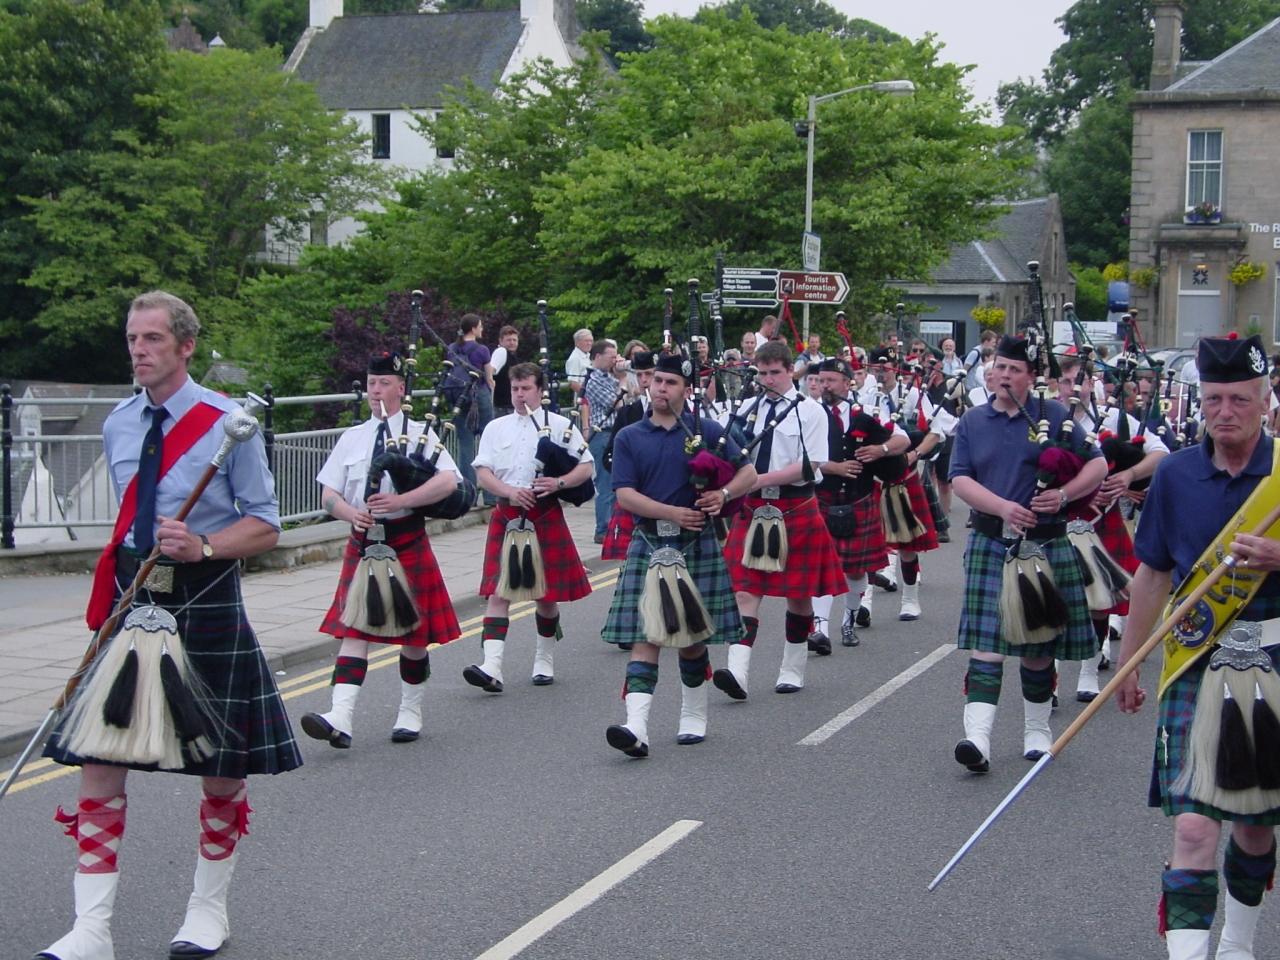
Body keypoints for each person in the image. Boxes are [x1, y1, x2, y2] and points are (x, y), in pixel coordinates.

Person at [38, 291, 301, 960]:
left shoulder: (229, 424)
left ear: (185, 346)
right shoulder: (119, 424)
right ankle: (92, 929)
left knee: (220, 767)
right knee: (98, 758)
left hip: (204, 595)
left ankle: (208, 911)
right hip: (135, 599)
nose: (139, 349)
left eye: (153, 338)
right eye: (133, 338)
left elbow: (265, 525)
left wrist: (205, 545)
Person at [1116, 334, 1280, 960]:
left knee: (1257, 828)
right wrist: (1131, 663)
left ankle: (1237, 944)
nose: (1225, 412)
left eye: (1240, 399)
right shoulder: (1177, 474)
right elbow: (1152, 574)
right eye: (1214, 399)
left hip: (1274, 662)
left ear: (1264, 402)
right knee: (1191, 826)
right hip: (1197, 661)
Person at [948, 334, 1106, 772]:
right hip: (991, 540)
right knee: (987, 646)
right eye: (999, 367)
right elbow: (960, 478)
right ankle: (977, 739)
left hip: (1045, 541)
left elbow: (1097, 464)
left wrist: (1063, 495)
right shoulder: (973, 421)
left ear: (1032, 377)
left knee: (1037, 645)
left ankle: (1037, 731)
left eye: (1014, 369)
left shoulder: (1054, 416)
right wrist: (1002, 507)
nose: (1003, 375)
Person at [304, 350, 464, 750]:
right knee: (354, 629)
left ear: (400, 388)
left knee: (413, 636)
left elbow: (449, 481)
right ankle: (340, 716)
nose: (376, 391)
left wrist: (403, 499)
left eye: (384, 383)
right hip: (364, 542)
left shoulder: (422, 435)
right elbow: (328, 494)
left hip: (406, 537)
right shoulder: (352, 438)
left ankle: (410, 710)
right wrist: (349, 513)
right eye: (371, 383)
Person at [602, 354, 756, 756]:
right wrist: (672, 513)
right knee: (645, 637)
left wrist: (722, 494)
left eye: (670, 383)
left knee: (691, 639)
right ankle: (636, 727)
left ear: (687, 390)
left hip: (696, 544)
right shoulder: (630, 436)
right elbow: (624, 495)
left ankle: (693, 715)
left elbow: (749, 473)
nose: (660, 388)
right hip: (650, 542)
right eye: (656, 381)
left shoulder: (707, 431)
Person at [715, 341, 847, 698]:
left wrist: (758, 480)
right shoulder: (746, 409)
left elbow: (811, 465)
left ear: (791, 371)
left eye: (775, 372)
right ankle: (737, 672)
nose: (768, 379)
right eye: (762, 373)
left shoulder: (810, 411)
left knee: (798, 596)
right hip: (753, 507)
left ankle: (792, 668)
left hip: (795, 506)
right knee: (745, 591)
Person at [465, 363, 594, 691]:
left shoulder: (560, 425)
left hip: (544, 514)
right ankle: (492, 667)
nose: (519, 395)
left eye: (526, 389)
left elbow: (586, 466)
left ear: (540, 390)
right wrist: (509, 491)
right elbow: (483, 472)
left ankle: (544, 658)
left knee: (545, 597)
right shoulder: (496, 428)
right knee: (498, 592)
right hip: (506, 514)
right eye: (515, 389)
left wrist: (559, 482)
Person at [809, 358, 906, 650]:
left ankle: (848, 623)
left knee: (856, 570)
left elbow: (902, 440)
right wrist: (833, 468)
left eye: (830, 380)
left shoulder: (864, 415)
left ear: (847, 383)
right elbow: (798, 455)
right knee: (821, 567)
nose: (824, 386)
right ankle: (820, 629)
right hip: (822, 499)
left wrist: (880, 449)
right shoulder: (809, 414)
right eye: (821, 380)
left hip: (859, 499)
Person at [602, 351, 656, 564]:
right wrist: (627, 478)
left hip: (665, 497)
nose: (644, 380)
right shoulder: (628, 413)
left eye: (649, 374)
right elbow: (609, 456)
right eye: (640, 375)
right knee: (632, 563)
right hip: (633, 496)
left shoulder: (678, 412)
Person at [582, 338, 624, 544]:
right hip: (602, 433)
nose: (615, 360)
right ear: (598, 356)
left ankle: (615, 526)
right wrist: (623, 380)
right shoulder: (593, 380)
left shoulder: (609, 377)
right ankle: (603, 529)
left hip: (615, 432)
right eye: (611, 357)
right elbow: (617, 403)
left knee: (617, 483)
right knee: (605, 483)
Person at [449, 314, 493, 505]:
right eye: (480, 326)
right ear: (473, 328)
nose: (482, 329)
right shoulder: (482, 350)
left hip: (458, 397)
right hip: (479, 396)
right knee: (488, 442)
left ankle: (468, 495)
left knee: (465, 444)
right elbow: (489, 378)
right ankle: (491, 494)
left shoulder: (452, 348)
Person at [490, 325, 521, 417]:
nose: (512, 343)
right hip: (502, 407)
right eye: (509, 340)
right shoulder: (501, 352)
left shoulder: (513, 357)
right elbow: (491, 372)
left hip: (508, 405)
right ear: (500, 341)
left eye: (514, 340)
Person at [564, 328, 594, 395]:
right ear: (577, 342)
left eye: (591, 341)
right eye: (586, 341)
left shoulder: (587, 356)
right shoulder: (575, 358)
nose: (589, 343)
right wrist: (587, 396)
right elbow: (573, 382)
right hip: (584, 398)